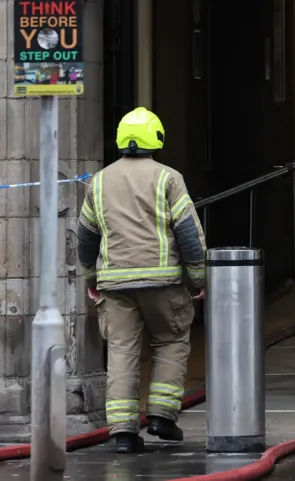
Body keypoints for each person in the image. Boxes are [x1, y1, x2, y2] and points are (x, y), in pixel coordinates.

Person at [77, 107, 207, 453]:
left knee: (121, 351)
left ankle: (123, 433)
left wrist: (91, 277)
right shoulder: (168, 178)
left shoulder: (99, 181)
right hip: (163, 283)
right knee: (171, 341)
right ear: (157, 138)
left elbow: (86, 237)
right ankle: (163, 416)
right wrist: (197, 280)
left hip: (115, 285)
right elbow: (189, 235)